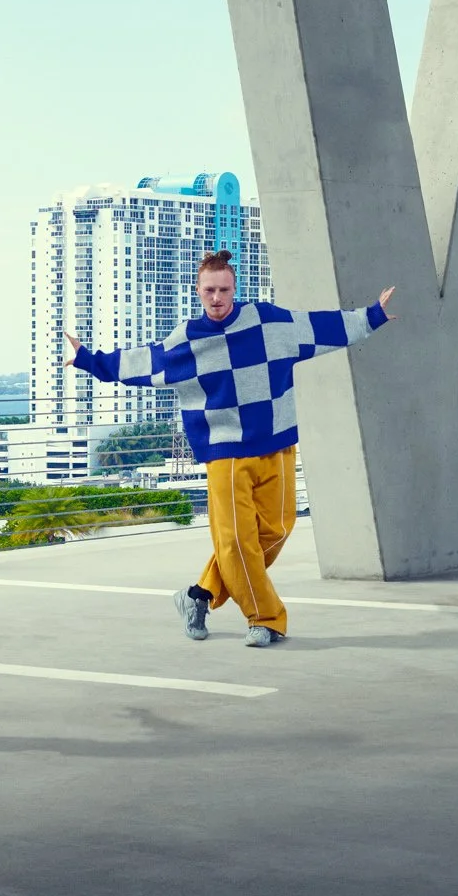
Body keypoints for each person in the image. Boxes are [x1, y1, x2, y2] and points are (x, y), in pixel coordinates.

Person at [67, 250, 393, 647]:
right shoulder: (187, 340)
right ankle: (266, 619)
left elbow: (316, 327)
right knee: (237, 542)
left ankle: (199, 595)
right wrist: (88, 359)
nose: (217, 298)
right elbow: (145, 362)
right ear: (198, 291)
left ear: (234, 289)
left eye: (223, 289)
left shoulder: (268, 322)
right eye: (209, 290)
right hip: (224, 451)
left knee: (274, 531)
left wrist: (371, 316)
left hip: (276, 441)